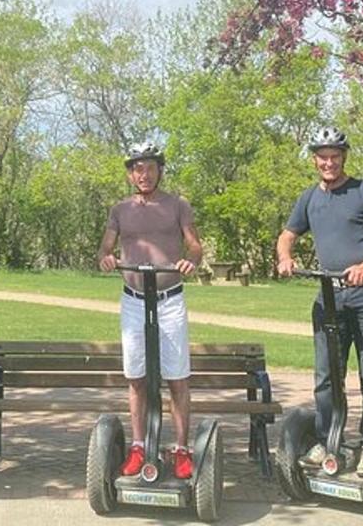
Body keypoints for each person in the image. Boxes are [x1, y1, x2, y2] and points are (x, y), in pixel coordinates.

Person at [275, 127, 363, 477]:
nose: (329, 162)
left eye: (335, 156)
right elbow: (287, 235)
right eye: (323, 156)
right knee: (327, 375)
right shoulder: (310, 197)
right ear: (315, 159)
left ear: (343, 157)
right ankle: (330, 442)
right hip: (329, 295)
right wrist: (285, 257)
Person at [97, 141, 202, 480]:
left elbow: (194, 244)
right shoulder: (120, 209)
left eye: (150, 167)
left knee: (177, 378)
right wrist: (107, 258)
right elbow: (106, 247)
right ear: (131, 174)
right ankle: (139, 445)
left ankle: (182, 449)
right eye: (138, 168)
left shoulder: (178, 205)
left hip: (170, 299)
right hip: (133, 300)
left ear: (159, 170)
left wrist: (191, 260)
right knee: (137, 379)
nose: (144, 174)